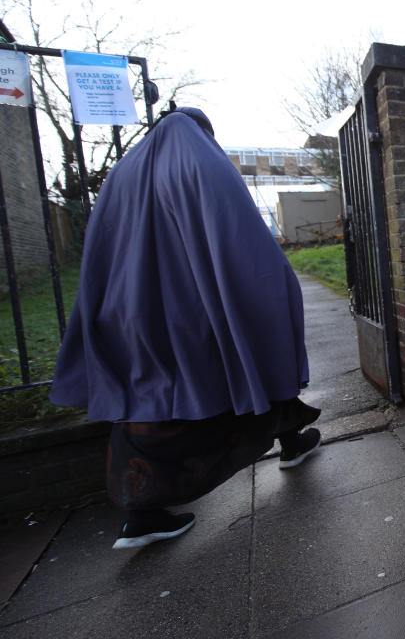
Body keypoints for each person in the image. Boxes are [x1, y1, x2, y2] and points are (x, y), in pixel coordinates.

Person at [50, 106, 321, 549]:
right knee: (243, 368)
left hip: (127, 311)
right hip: (194, 306)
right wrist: (277, 289)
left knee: (146, 402)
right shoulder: (197, 159)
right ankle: (288, 445)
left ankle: (142, 514)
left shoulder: (123, 172)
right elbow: (238, 237)